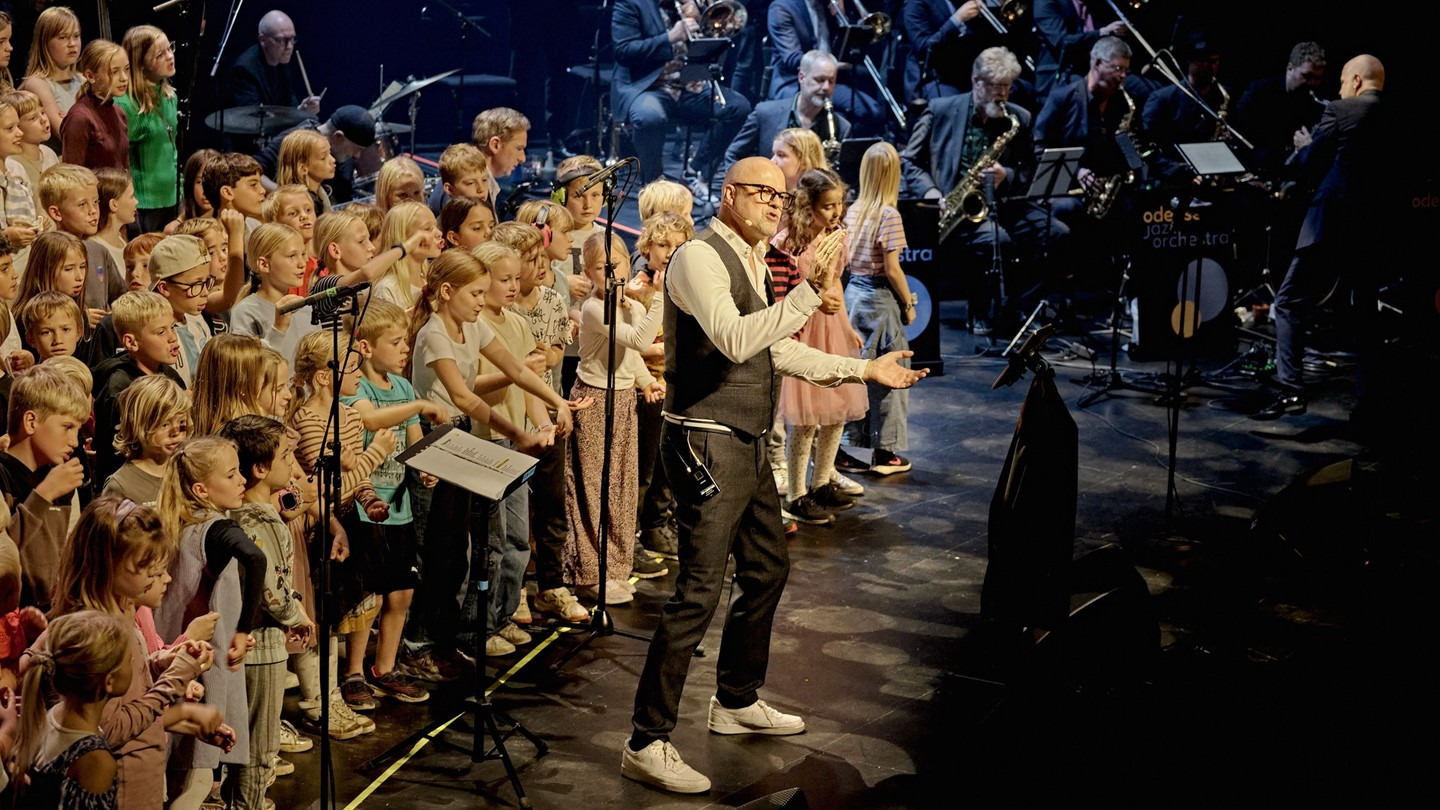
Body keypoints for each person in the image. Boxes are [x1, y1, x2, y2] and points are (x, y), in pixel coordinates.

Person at [621, 157, 925, 793]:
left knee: (766, 567)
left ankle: (734, 700)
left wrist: (864, 370)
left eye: (780, 196)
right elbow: (734, 339)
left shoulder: (753, 258)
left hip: (750, 441)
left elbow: (772, 347)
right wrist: (811, 292)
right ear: (730, 193)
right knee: (698, 591)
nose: (774, 204)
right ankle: (645, 741)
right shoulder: (699, 258)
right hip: (708, 441)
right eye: (762, 192)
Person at [1252, 55, 1390, 421]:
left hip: (1331, 223)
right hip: (1375, 227)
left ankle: (1291, 392)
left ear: (1357, 81)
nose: (1340, 89)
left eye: (1343, 81)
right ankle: (1370, 399)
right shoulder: (1400, 116)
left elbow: (1312, 162)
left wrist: (1303, 147)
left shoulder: (1343, 111)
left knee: (1288, 302)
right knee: (1366, 311)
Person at [903, 46, 1064, 333]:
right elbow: (910, 161)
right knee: (995, 240)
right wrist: (931, 193)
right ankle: (982, 310)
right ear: (976, 81)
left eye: (1007, 87)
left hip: (1006, 203)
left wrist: (1008, 175)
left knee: (1057, 233)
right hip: (956, 207)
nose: (1002, 94)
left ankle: (1018, 307)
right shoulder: (941, 109)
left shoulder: (1020, 118)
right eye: (996, 86)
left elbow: (1032, 169)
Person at [773, 168, 866, 524]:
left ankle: (824, 480)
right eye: (828, 206)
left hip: (832, 326)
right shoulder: (791, 242)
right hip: (806, 327)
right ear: (808, 206)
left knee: (836, 410)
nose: (836, 212)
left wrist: (846, 324)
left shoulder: (837, 236)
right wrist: (815, 301)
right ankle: (798, 492)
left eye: (839, 204)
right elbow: (784, 288)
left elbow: (836, 282)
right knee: (808, 417)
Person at [612, 0, 752, 184]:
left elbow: (719, 43)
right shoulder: (631, 3)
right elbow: (623, 50)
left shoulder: (692, 4)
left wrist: (703, 18)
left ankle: (695, 175)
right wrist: (670, 37)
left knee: (738, 107)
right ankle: (653, 184)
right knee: (649, 117)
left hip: (690, 85)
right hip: (649, 86)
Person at [1033, 36, 1138, 229]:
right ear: (1098, 63)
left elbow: (1124, 145)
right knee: (1071, 210)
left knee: (1135, 208)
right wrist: (1076, 171)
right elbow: (1039, 145)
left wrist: (1133, 160)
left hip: (1102, 188)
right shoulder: (1062, 98)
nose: (1123, 76)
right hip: (1066, 189)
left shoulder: (1121, 102)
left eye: (1125, 71)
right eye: (1117, 68)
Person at [765, 0, 882, 134]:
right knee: (863, 111)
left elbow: (848, 46)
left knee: (872, 110)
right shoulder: (782, 8)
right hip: (795, 81)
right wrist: (832, 65)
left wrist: (841, 17)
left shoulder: (828, 7)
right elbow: (792, 58)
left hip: (832, 78)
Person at [724, 50, 851, 165]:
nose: (826, 88)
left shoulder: (841, 127)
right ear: (801, 77)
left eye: (831, 81)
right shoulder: (764, 113)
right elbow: (733, 155)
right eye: (820, 80)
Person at [1141, 34, 1230, 188]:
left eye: (1215, 61)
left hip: (1208, 181)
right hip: (1168, 181)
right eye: (1204, 61)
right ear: (1190, 61)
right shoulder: (1163, 99)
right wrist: (1177, 171)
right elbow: (1144, 147)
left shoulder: (1222, 97)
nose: (1211, 67)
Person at [1232, 41, 1328, 179]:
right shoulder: (1258, 92)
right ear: (1290, 68)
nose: (1312, 83)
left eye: (1317, 78)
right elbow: (1238, 137)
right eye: (1306, 76)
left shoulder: (1315, 105)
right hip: (1251, 172)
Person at [116, 25, 179, 232]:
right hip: (144, 205)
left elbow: (172, 149)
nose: (170, 57)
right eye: (160, 54)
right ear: (140, 64)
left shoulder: (169, 96)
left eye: (170, 48)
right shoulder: (127, 105)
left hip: (172, 197)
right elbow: (121, 158)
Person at [254, 105, 374, 205]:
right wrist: (286, 196)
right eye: (357, 149)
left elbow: (343, 198)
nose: (357, 155)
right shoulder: (297, 141)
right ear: (338, 136)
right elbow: (252, 172)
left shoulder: (342, 155)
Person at [225, 10, 321, 118]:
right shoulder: (244, 70)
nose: (289, 46)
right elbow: (254, 120)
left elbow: (289, 106)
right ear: (262, 40)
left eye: (292, 39)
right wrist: (294, 117)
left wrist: (302, 110)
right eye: (280, 40)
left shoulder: (282, 60)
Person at [1032, 0, 1128, 100]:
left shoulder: (1092, 4)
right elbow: (1063, 42)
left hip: (1095, 70)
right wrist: (1101, 32)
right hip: (1062, 74)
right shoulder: (1044, 2)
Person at [58, 38, 129, 171]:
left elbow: (124, 168)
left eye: (126, 69)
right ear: (90, 76)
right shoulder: (79, 118)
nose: (124, 78)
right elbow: (72, 177)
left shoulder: (119, 113)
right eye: (114, 72)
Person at [904, 0, 987, 100]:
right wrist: (957, 19)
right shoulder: (914, 3)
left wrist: (985, 9)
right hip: (935, 77)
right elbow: (923, 48)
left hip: (968, 70)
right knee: (956, 107)